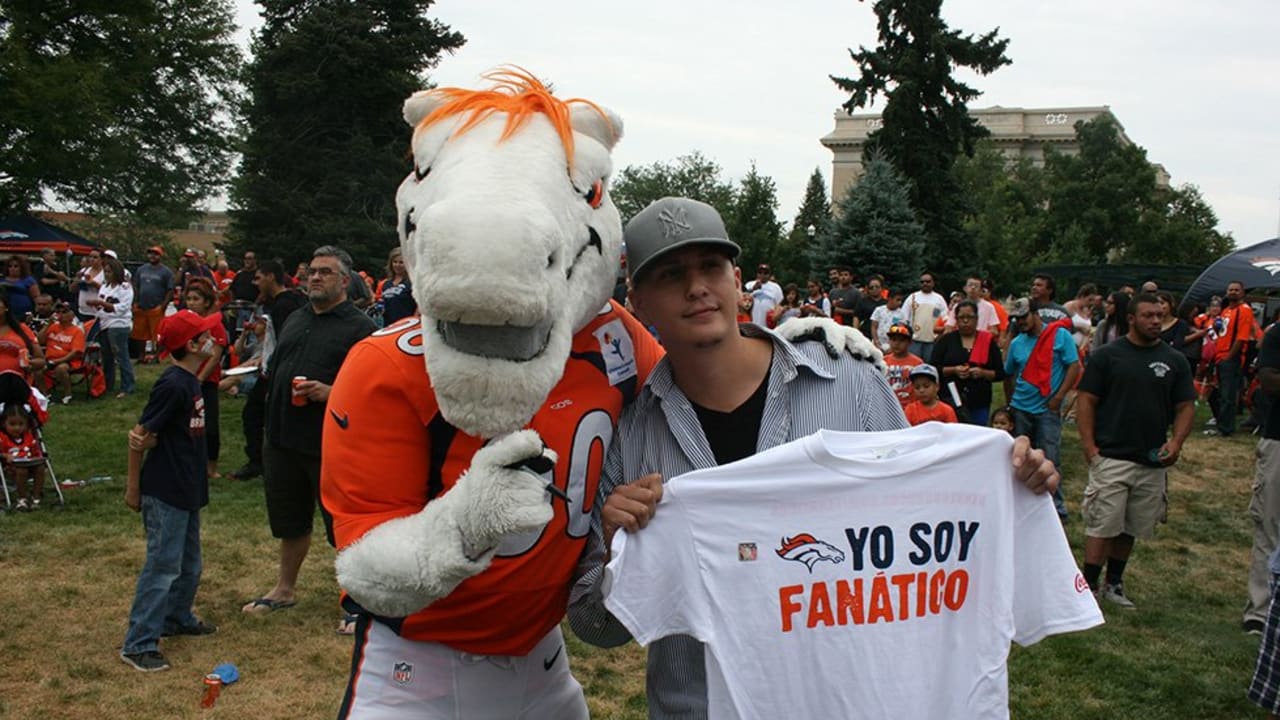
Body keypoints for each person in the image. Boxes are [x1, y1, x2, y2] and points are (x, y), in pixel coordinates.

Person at [567, 198, 1061, 719]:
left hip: (846, 699)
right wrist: (618, 551)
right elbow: (596, 628)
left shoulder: (849, 383)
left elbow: (919, 520)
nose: (696, 288)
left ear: (737, 281)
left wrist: (1006, 484)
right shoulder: (629, 436)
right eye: (670, 275)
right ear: (637, 301)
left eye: (710, 267)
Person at [241, 246, 375, 622]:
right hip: (282, 438)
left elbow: (372, 391)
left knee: (344, 526)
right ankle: (284, 589)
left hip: (330, 444)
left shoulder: (360, 329)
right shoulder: (297, 317)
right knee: (289, 519)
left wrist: (331, 392)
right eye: (312, 271)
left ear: (345, 281)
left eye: (325, 272)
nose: (315, 277)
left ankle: (358, 602)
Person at [1076, 293, 1194, 609]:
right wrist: (1090, 446)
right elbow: (1086, 400)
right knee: (1103, 524)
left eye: (1160, 315)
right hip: (1112, 455)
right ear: (1131, 319)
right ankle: (1087, 586)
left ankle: (1114, 583)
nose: (1156, 321)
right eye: (1148, 315)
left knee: (1132, 526)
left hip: (1151, 460)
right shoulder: (1107, 356)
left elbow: (1185, 406)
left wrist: (1176, 442)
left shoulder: (1175, 360)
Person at [119, 309, 222, 672]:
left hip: (186, 488)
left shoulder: (192, 379)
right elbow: (139, 437)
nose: (213, 340)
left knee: (190, 565)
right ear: (191, 345)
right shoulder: (173, 384)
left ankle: (175, 617)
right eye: (205, 336)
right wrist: (134, 489)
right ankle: (139, 642)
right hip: (165, 491)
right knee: (162, 567)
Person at [1004, 297, 1080, 520]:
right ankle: (1019, 503)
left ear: (1036, 314)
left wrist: (1059, 397)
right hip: (1021, 407)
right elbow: (1008, 373)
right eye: (1016, 319)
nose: (1020, 322)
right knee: (1019, 458)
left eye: (1024, 317)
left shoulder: (1059, 336)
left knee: (1051, 456)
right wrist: (1010, 402)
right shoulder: (1018, 343)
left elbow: (1073, 366)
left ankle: (1056, 507)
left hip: (1048, 407)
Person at [230, 260, 306, 481]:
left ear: (271, 277)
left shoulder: (285, 305)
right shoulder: (281, 302)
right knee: (258, 415)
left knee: (256, 416)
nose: (256, 283)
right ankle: (263, 461)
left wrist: (275, 369)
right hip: (272, 368)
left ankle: (261, 462)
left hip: (278, 371)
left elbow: (285, 340)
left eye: (259, 278)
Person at [1245, 318, 1280, 635]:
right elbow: (1269, 379)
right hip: (1279, 440)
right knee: (1270, 525)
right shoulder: (1277, 334)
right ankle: (1260, 610)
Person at [181, 278, 228, 480]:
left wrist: (199, 378)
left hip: (206, 381)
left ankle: (211, 466)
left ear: (207, 302)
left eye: (196, 299)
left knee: (209, 426)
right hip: (187, 377)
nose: (191, 303)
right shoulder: (186, 323)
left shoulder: (215, 325)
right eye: (189, 299)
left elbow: (215, 356)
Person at [930, 299, 1005, 425]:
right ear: (956, 319)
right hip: (950, 399)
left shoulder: (987, 341)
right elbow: (932, 369)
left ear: (977, 319)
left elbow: (999, 373)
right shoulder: (946, 341)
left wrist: (982, 373)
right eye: (961, 317)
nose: (965, 321)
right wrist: (953, 370)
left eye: (969, 317)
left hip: (979, 399)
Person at [1209, 280, 1256, 437]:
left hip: (1231, 357)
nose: (1233, 292)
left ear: (1242, 293)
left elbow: (1241, 337)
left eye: (1237, 290)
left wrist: (1229, 357)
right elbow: (1222, 332)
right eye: (1230, 289)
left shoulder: (1244, 310)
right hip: (1220, 355)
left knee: (1228, 395)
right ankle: (1222, 424)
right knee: (1221, 394)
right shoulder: (1226, 310)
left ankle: (1226, 428)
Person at [88, 256, 134, 398]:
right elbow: (102, 302)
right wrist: (97, 305)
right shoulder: (105, 286)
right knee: (106, 356)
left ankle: (128, 386)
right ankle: (107, 384)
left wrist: (103, 304)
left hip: (119, 324)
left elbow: (123, 307)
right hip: (104, 322)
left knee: (121, 356)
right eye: (105, 272)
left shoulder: (125, 287)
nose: (107, 274)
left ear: (117, 272)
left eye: (109, 272)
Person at [131, 246, 175, 359]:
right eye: (150, 253)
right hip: (141, 306)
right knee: (140, 334)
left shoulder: (166, 272)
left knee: (158, 334)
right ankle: (141, 356)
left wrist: (163, 305)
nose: (152, 256)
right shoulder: (141, 269)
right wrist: (135, 302)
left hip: (156, 307)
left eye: (155, 254)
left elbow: (170, 290)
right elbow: (136, 286)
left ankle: (157, 356)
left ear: (160, 256)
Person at [39, 302, 85, 405]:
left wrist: (57, 361)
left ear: (72, 316)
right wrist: (48, 324)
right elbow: (39, 340)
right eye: (58, 312)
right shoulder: (53, 327)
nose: (60, 314)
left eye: (64, 312)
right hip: (49, 359)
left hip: (69, 360)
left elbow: (75, 352)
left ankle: (67, 394)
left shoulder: (76, 331)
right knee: (37, 368)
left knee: (61, 368)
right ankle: (45, 396)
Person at [2, 404, 45, 511]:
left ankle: (36, 497)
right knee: (22, 471)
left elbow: (36, 452)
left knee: (40, 468)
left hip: (30, 464)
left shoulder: (29, 437)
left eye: (21, 424)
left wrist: (38, 458)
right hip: (10, 467)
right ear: (4, 424)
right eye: (12, 424)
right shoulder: (2, 439)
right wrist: (5, 455)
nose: (17, 428)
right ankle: (22, 498)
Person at [903, 271, 948, 359]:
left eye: (928, 281)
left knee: (930, 367)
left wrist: (940, 335)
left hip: (932, 341)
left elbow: (945, 319)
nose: (925, 284)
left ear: (933, 283)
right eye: (922, 282)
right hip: (914, 341)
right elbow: (903, 318)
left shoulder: (939, 299)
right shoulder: (912, 297)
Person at [0, 293, 44, 379]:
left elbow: (41, 360)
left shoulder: (22, 329)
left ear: (6, 307)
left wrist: (30, 364)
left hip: (18, 384)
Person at [884, 321, 923, 410]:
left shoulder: (918, 363)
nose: (897, 343)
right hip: (887, 407)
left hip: (910, 408)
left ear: (910, 342)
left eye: (901, 340)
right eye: (893, 339)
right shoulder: (883, 361)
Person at [376, 247, 416, 325]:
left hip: (407, 324)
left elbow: (419, 305)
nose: (397, 265)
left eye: (401, 262)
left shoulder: (412, 282)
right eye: (395, 262)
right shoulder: (386, 284)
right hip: (388, 325)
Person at [744, 263, 783, 327]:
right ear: (757, 274)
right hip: (751, 323)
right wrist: (753, 289)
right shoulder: (749, 285)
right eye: (760, 272)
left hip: (768, 325)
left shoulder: (776, 287)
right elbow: (742, 299)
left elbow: (779, 305)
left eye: (765, 273)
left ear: (769, 275)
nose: (762, 275)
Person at [75, 249, 105, 328]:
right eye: (90, 256)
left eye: (95, 257)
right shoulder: (84, 271)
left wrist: (94, 283)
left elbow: (108, 290)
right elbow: (72, 289)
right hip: (82, 310)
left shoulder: (105, 273)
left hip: (96, 312)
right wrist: (77, 279)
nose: (91, 259)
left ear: (102, 259)